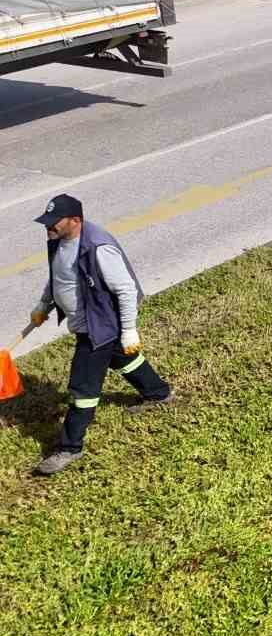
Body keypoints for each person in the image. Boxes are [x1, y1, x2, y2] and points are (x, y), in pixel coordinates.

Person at [23, 195, 171, 477]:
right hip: (90, 323)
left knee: (83, 389)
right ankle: (158, 393)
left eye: (54, 223)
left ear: (75, 221)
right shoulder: (59, 241)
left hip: (98, 326)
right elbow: (60, 276)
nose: (48, 227)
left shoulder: (98, 248)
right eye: (47, 222)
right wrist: (44, 303)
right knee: (122, 359)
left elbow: (126, 290)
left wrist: (128, 330)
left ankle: (69, 447)